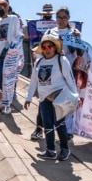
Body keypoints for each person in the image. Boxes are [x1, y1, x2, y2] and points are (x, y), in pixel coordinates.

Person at [24, 33, 76, 161]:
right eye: (45, 47)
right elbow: (33, 81)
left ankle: (64, 149)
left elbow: (70, 79)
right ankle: (50, 150)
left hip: (59, 95)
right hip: (44, 98)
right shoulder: (39, 62)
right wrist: (28, 97)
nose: (47, 50)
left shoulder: (61, 60)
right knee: (47, 124)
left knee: (59, 123)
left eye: (50, 47)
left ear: (54, 48)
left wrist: (76, 96)